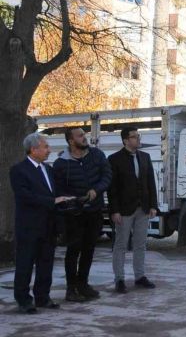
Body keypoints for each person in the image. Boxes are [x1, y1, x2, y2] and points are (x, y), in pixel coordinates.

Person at [10, 133, 71, 314]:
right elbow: (25, 196)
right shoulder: (19, 170)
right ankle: (24, 300)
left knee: (46, 264)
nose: (49, 150)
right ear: (33, 149)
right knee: (25, 265)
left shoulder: (48, 169)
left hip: (48, 226)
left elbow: (54, 194)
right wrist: (52, 201)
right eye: (45, 147)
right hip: (29, 227)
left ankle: (43, 297)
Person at [52, 127, 111, 302]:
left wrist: (96, 191)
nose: (84, 138)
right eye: (80, 136)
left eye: (84, 135)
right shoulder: (61, 163)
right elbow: (58, 189)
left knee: (89, 249)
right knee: (73, 250)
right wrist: (72, 200)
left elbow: (107, 175)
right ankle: (71, 289)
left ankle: (83, 284)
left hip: (94, 211)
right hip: (73, 214)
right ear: (71, 141)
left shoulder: (97, 155)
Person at [108, 127, 158, 294]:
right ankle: (119, 279)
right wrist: (114, 210)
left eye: (138, 136)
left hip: (143, 207)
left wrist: (153, 205)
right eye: (134, 137)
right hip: (124, 210)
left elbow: (151, 182)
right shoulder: (115, 159)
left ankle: (140, 276)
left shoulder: (145, 157)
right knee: (121, 245)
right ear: (125, 140)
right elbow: (112, 188)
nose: (138, 139)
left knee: (140, 244)